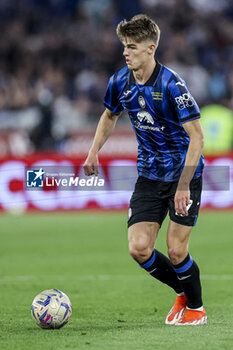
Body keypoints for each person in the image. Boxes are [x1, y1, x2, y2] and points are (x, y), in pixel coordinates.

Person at [84, 14, 206, 325]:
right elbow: (109, 115)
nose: (125, 52)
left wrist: (183, 185)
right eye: (124, 46)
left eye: (132, 46)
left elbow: (197, 136)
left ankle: (197, 309)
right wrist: (94, 150)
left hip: (182, 174)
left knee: (177, 251)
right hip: (149, 175)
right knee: (139, 248)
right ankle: (184, 291)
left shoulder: (172, 85)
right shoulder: (120, 81)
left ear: (150, 49)